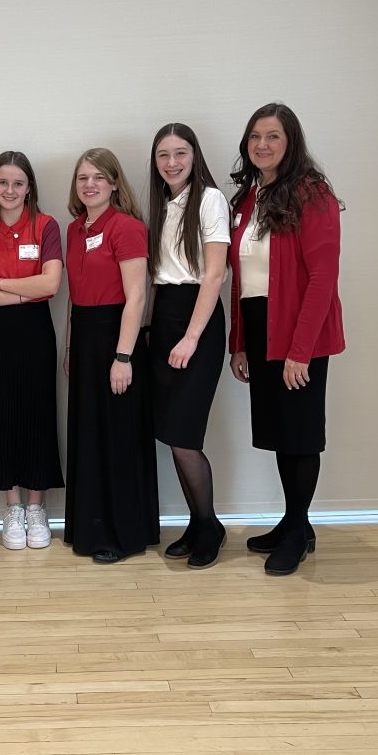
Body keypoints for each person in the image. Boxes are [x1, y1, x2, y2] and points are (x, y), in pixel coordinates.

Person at [228, 103, 345, 576]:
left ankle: (297, 532)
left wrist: (300, 352)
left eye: (273, 136)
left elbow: (322, 278)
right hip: (260, 326)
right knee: (281, 432)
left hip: (301, 332)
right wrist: (238, 342)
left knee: (300, 436)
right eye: (255, 136)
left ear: (290, 141)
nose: (262, 145)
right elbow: (242, 280)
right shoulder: (251, 197)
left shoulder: (311, 194)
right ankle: (295, 521)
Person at [0, 151, 64, 551]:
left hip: (36, 332)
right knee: (0, 413)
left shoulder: (46, 225)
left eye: (18, 183)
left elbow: (50, 285)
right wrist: (25, 289)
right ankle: (13, 507)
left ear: (29, 187)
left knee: (37, 413)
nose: (10, 190)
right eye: (3, 182)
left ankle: (37, 507)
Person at [63, 148, 160, 563]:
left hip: (116, 338)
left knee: (117, 437)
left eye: (99, 177)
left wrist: (123, 357)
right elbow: (73, 294)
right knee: (89, 434)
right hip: (84, 337)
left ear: (115, 183)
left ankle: (121, 535)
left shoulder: (127, 227)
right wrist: (69, 346)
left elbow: (137, 296)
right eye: (83, 178)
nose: (90, 185)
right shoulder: (74, 229)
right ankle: (89, 527)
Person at [145, 123, 232, 569]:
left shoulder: (210, 200)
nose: (172, 163)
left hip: (196, 319)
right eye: (163, 155)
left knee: (184, 436)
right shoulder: (162, 203)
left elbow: (214, 275)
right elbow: (159, 274)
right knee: (172, 435)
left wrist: (191, 338)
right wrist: (149, 328)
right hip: (164, 320)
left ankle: (210, 525)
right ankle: (199, 524)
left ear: (195, 155)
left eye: (180, 153)